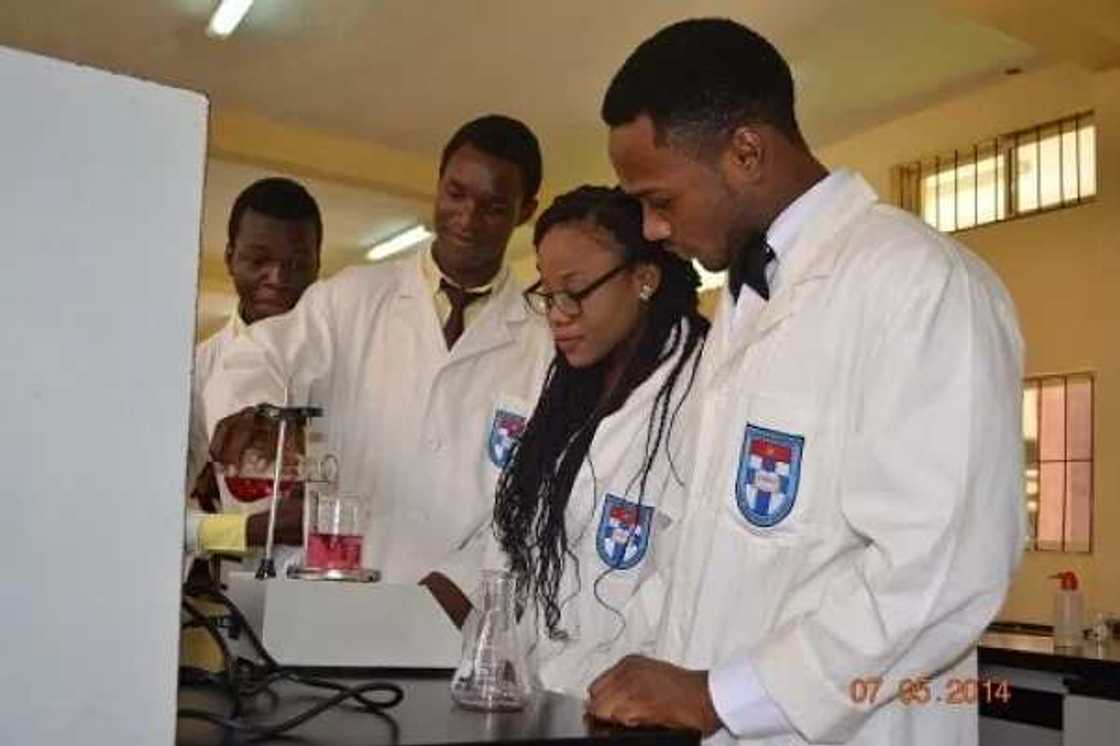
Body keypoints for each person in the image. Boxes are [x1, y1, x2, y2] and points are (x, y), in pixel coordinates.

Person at [585, 19, 1025, 745]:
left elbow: (942, 573)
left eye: (660, 199)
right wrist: (628, 675)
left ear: (746, 151)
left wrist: (719, 696)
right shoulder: (743, 302)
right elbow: (697, 542)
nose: (653, 229)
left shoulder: (920, 284)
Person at [204, 115, 554, 582]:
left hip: (457, 615)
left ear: (525, 211)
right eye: (455, 194)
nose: (467, 219)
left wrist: (464, 585)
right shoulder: (352, 297)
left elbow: (534, 500)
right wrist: (255, 412)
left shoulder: (544, 341)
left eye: (493, 207)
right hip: (335, 595)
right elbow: (256, 354)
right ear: (438, 184)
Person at [425, 185, 708, 696]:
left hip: (619, 706)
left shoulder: (703, 395)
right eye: (548, 293)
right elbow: (511, 535)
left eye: (574, 291)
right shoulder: (565, 387)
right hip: (529, 693)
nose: (557, 312)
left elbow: (679, 593)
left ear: (643, 279)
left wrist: (559, 686)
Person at [184, 177, 321, 563]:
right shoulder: (196, 371)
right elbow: (159, 519)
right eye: (259, 260)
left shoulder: (354, 360)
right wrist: (251, 532)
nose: (278, 278)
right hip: (232, 601)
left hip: (341, 595)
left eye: (296, 263)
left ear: (318, 263)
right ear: (230, 257)